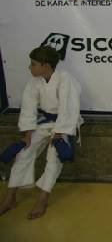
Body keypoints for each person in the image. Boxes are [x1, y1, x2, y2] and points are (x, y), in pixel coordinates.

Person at [0, 46, 82, 219]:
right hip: (44, 122)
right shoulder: (34, 82)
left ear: (46, 65)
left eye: (33, 64)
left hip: (63, 123)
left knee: (54, 156)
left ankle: (42, 199)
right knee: (24, 152)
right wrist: (27, 133)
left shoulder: (65, 78)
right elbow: (28, 107)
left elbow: (69, 107)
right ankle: (10, 197)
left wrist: (58, 135)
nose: (29, 67)